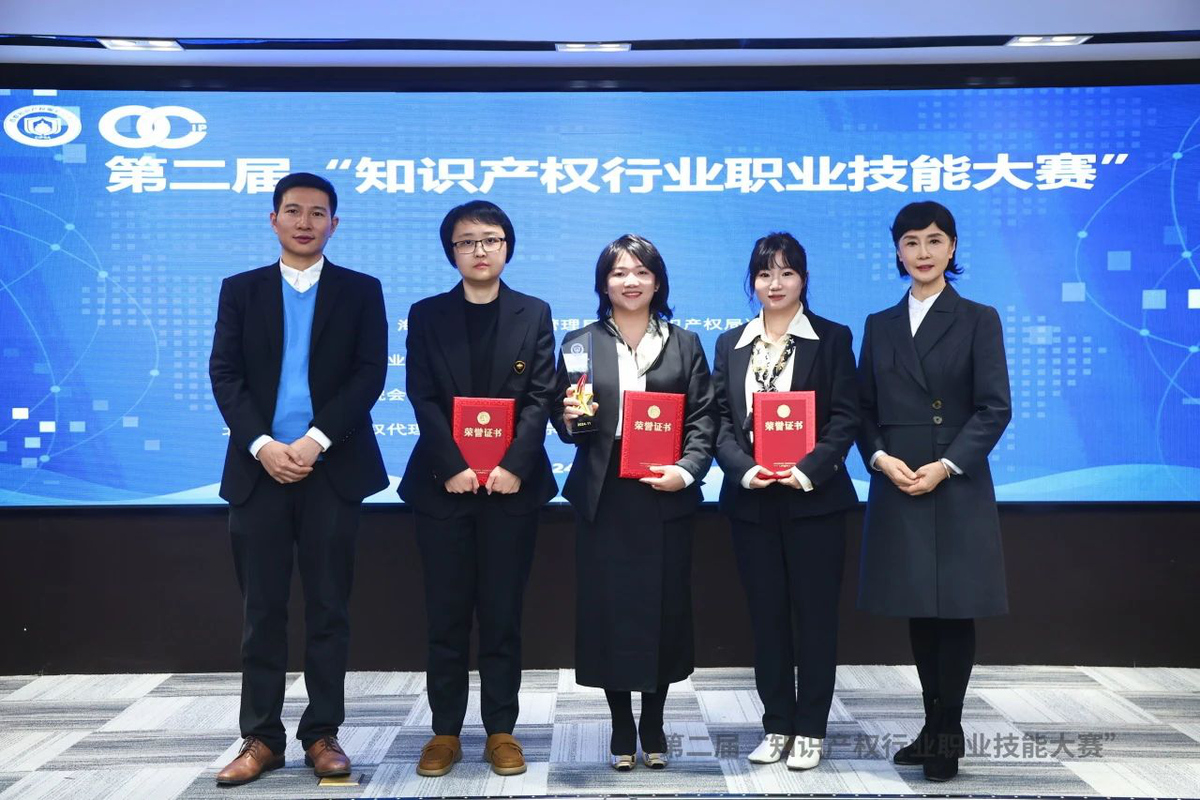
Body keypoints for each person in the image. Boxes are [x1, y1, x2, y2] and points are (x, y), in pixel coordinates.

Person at [209, 172, 387, 785]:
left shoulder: (361, 290)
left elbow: (368, 375)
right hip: (257, 472)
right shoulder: (241, 290)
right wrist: (262, 445)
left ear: (334, 224)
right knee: (262, 611)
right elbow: (225, 374)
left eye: (317, 213)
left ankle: (322, 734)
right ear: (273, 219)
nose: (305, 222)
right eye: (293, 210)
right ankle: (260, 738)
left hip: (331, 471)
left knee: (329, 609)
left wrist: (315, 440)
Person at [398, 200, 557, 778]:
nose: (480, 250)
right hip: (444, 488)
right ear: (452, 252)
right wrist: (451, 465)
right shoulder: (427, 314)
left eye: (490, 239)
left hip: (513, 489)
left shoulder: (534, 312)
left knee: (502, 614)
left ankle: (501, 730)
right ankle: (444, 731)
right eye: (467, 242)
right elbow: (422, 396)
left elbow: (541, 396)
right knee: (445, 615)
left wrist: (515, 463)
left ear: (507, 246)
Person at [857, 201, 1011, 782]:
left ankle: (949, 730)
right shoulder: (879, 324)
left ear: (952, 247)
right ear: (897, 251)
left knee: (954, 608)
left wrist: (947, 465)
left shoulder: (978, 318)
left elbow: (995, 408)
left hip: (955, 480)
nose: (923, 252)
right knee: (920, 607)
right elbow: (862, 409)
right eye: (911, 242)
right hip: (898, 479)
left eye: (934, 240)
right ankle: (932, 724)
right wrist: (879, 458)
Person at [553, 234, 716, 771]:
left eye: (641, 272)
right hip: (605, 493)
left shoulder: (684, 343)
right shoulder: (580, 343)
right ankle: (622, 721)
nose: (630, 281)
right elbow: (566, 420)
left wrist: (686, 470)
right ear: (604, 283)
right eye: (619, 272)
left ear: (657, 281)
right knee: (610, 612)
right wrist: (569, 420)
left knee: (663, 610)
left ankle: (655, 720)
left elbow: (703, 417)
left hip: (665, 488)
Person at [710, 233, 859, 771]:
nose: (775, 284)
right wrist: (743, 468)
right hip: (752, 501)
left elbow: (845, 416)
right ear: (752, 281)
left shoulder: (832, 338)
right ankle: (776, 724)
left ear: (804, 278)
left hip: (814, 500)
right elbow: (719, 419)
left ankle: (811, 729)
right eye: (765, 273)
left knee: (815, 619)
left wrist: (807, 470)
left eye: (787, 272)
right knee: (767, 619)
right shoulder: (732, 343)